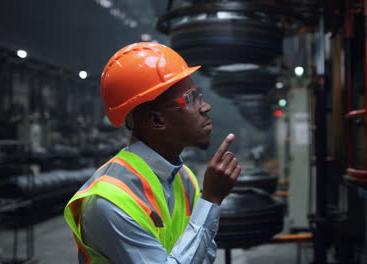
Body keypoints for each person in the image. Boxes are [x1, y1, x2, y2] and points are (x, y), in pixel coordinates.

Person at [64, 42, 241, 264]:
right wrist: (211, 199)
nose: (205, 107)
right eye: (191, 99)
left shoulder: (185, 178)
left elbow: (204, 253)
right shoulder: (110, 201)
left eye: (200, 95)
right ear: (156, 120)